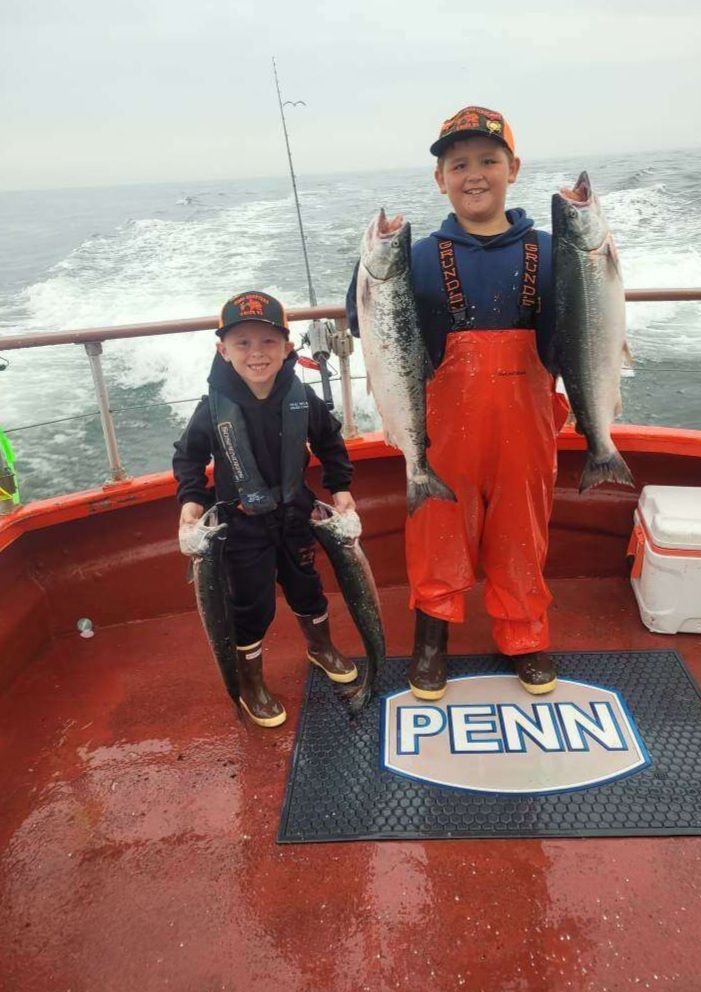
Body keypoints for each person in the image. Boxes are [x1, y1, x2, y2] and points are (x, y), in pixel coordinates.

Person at [347, 106, 568, 700]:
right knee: (437, 527)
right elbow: (368, 327)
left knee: (523, 531)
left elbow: (579, 336)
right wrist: (366, 285)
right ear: (439, 178)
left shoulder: (554, 252)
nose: (475, 174)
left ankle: (524, 635)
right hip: (442, 428)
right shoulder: (412, 256)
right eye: (459, 163)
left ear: (512, 169)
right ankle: (431, 638)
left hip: (528, 422)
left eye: (488, 161)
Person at [173, 290, 357, 728]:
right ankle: (250, 680)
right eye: (243, 343)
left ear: (288, 347)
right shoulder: (211, 407)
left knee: (307, 588)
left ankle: (320, 646)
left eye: (268, 342)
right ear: (223, 350)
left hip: (296, 516)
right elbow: (188, 457)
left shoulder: (301, 396)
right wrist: (192, 502)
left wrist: (341, 487)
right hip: (241, 524)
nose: (257, 354)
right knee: (252, 606)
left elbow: (330, 441)